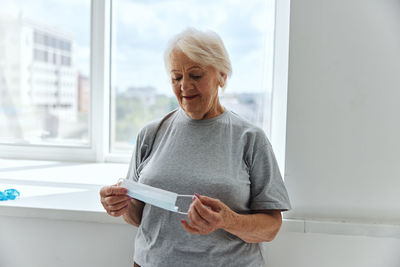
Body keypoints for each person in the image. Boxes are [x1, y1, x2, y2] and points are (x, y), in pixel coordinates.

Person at [100, 27, 291, 267]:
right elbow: (138, 216)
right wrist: (120, 204)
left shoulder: (250, 139)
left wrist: (227, 220)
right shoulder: (151, 134)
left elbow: (271, 228)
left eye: (196, 75)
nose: (185, 86)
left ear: (222, 76)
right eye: (176, 77)